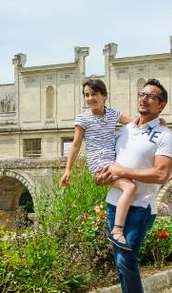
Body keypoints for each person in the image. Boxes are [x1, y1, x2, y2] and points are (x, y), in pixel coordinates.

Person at [94, 79, 172, 293]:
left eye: (151, 97)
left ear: (161, 104)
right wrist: (106, 175)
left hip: (141, 206)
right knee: (122, 261)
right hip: (114, 203)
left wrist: (123, 173)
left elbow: (161, 174)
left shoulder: (164, 136)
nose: (144, 99)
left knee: (126, 259)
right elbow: (112, 166)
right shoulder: (126, 130)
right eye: (142, 94)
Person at [60, 78, 140, 249]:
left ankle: (127, 222)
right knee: (130, 187)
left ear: (104, 96)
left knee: (133, 183)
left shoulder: (113, 114)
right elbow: (75, 145)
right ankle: (117, 231)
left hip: (114, 161)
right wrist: (68, 170)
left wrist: (157, 122)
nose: (90, 98)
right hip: (99, 162)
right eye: (86, 95)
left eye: (94, 94)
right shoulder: (83, 119)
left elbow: (135, 123)